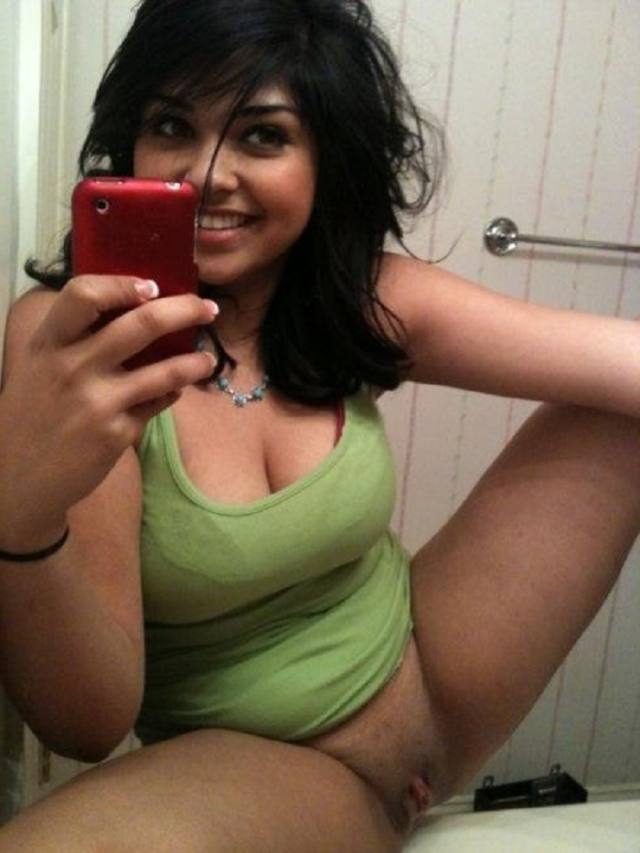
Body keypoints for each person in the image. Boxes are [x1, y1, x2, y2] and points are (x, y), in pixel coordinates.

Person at [0, 0, 639, 849]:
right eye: (172, 125)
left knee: (622, 416)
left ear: (324, 159)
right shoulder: (77, 341)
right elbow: (86, 721)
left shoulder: (356, 296)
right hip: (289, 773)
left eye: (262, 135)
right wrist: (22, 508)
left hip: (444, 670)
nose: (208, 174)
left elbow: (623, 359)